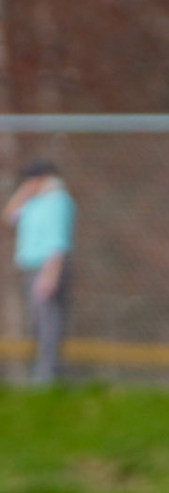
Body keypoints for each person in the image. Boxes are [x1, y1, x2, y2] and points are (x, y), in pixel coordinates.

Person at [6, 160, 75, 384]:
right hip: (32, 266)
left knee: (49, 321)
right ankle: (44, 371)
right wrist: (23, 194)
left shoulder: (58, 201)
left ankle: (47, 374)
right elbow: (9, 216)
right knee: (37, 322)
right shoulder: (33, 202)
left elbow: (57, 240)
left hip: (49, 267)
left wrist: (51, 274)